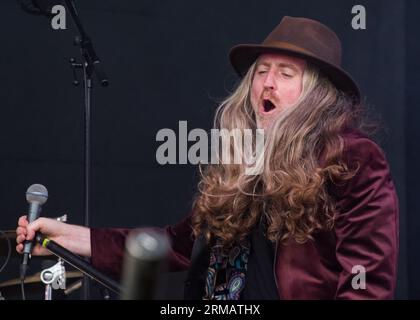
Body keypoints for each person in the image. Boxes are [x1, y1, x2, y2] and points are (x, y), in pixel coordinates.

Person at [16, 16, 399, 299]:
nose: (266, 82)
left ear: (317, 94)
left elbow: (367, 283)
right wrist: (71, 237)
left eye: (285, 73)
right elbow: (179, 245)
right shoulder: (243, 160)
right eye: (261, 71)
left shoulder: (351, 158)